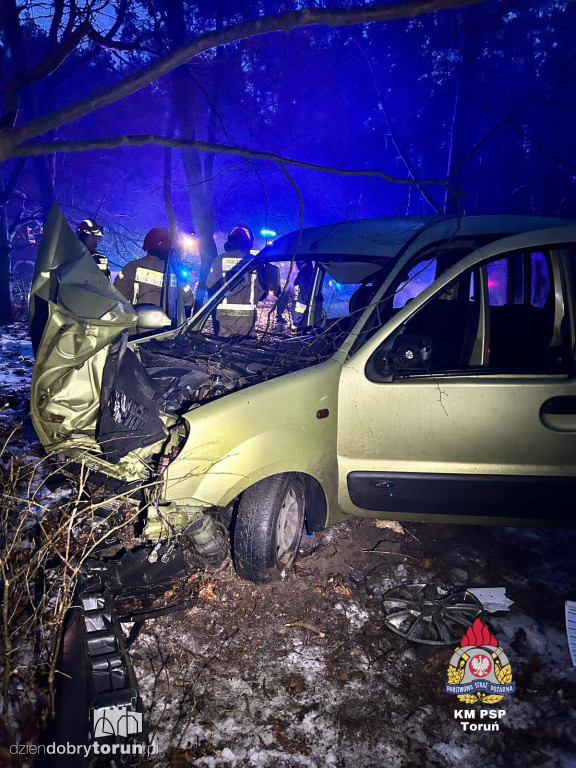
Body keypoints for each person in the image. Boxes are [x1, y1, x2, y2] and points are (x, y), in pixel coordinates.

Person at [114, 226, 194, 315]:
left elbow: (117, 295)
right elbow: (188, 302)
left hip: (136, 325)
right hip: (169, 327)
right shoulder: (175, 273)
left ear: (147, 245)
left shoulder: (132, 267)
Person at [206, 224, 266, 338]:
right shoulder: (254, 262)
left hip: (223, 323)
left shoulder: (219, 260)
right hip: (247, 325)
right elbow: (262, 292)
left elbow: (210, 286)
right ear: (249, 242)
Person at [291, 260, 323, 333]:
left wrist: (295, 323)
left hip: (302, 322)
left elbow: (301, 303)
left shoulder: (305, 277)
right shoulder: (306, 275)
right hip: (302, 319)